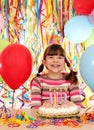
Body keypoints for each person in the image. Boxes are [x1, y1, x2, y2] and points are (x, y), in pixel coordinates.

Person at [30, 44, 83, 109]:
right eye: (51, 57)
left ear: (65, 62)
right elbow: (35, 107)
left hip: (68, 118)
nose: (55, 60)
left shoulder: (71, 79)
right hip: (44, 118)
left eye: (60, 57)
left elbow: (78, 106)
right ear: (44, 62)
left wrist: (71, 105)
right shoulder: (38, 81)